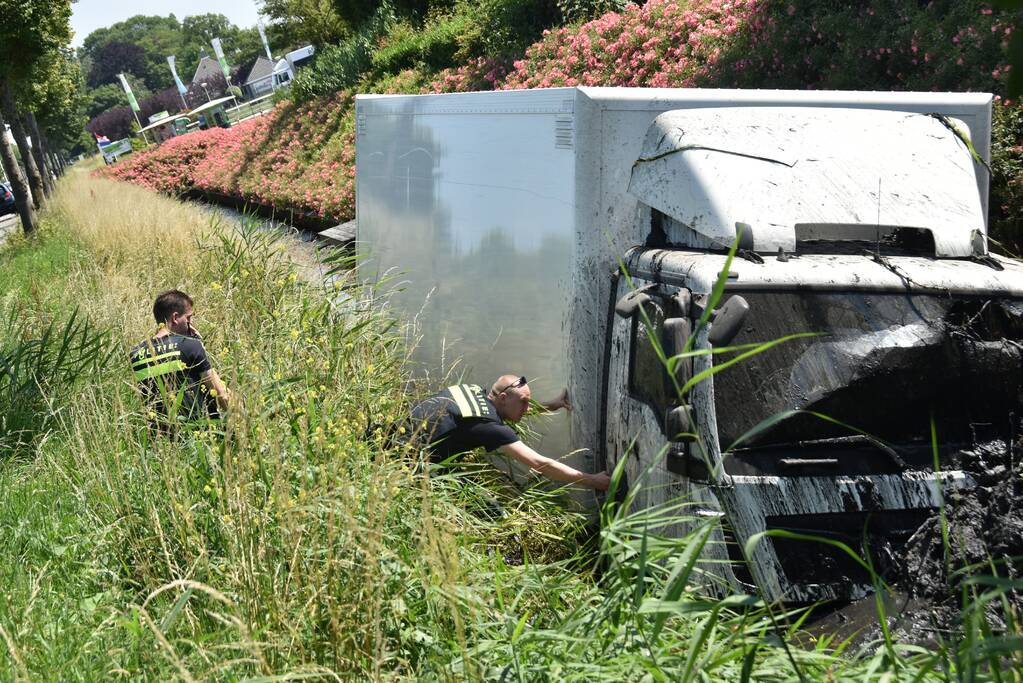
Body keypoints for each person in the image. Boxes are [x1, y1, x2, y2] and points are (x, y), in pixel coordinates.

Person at [409, 375, 610, 491]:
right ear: (503, 397)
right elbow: (540, 464)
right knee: (492, 512)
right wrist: (593, 480)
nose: (526, 407)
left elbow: (508, 413)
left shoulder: (474, 391)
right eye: (523, 402)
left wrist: (552, 405)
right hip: (411, 466)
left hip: (394, 438)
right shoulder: (491, 427)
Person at [129, 290, 230, 427]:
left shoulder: (136, 354)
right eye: (188, 318)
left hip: (158, 440)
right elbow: (222, 395)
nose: (191, 323)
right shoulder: (189, 346)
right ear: (175, 318)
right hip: (197, 435)